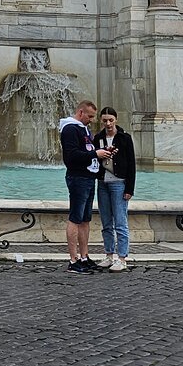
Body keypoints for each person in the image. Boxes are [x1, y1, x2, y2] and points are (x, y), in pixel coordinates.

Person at [59, 100, 112, 273]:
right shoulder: (69, 129)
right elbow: (71, 156)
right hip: (77, 177)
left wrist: (102, 153)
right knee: (75, 217)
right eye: (89, 116)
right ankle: (73, 260)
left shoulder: (84, 129)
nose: (91, 120)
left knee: (85, 219)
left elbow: (87, 151)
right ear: (80, 112)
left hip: (88, 177)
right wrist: (95, 154)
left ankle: (84, 256)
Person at [94, 107, 136, 272]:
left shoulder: (124, 138)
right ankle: (109, 255)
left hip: (119, 183)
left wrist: (129, 189)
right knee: (106, 222)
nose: (108, 123)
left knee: (120, 222)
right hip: (103, 183)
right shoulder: (98, 138)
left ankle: (122, 258)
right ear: (101, 121)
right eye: (104, 120)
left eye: (111, 120)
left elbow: (131, 164)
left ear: (116, 119)